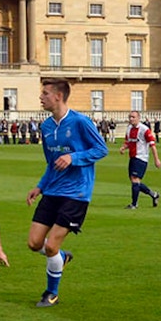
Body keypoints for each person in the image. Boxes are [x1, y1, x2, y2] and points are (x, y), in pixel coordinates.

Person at [26, 78, 107, 307]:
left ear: (58, 96)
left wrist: (74, 157)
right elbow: (51, 163)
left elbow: (101, 149)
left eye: (45, 93)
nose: (41, 98)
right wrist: (40, 186)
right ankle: (61, 258)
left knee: (51, 245)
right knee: (34, 243)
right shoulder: (46, 126)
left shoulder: (80, 122)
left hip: (76, 194)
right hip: (52, 191)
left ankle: (51, 293)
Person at [119, 110, 161, 209]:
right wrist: (123, 147)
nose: (131, 119)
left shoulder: (144, 129)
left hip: (141, 158)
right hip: (132, 157)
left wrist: (156, 159)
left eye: (133, 117)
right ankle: (154, 195)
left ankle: (134, 204)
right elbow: (128, 142)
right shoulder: (129, 128)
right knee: (135, 181)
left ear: (138, 118)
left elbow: (152, 145)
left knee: (135, 180)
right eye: (130, 117)